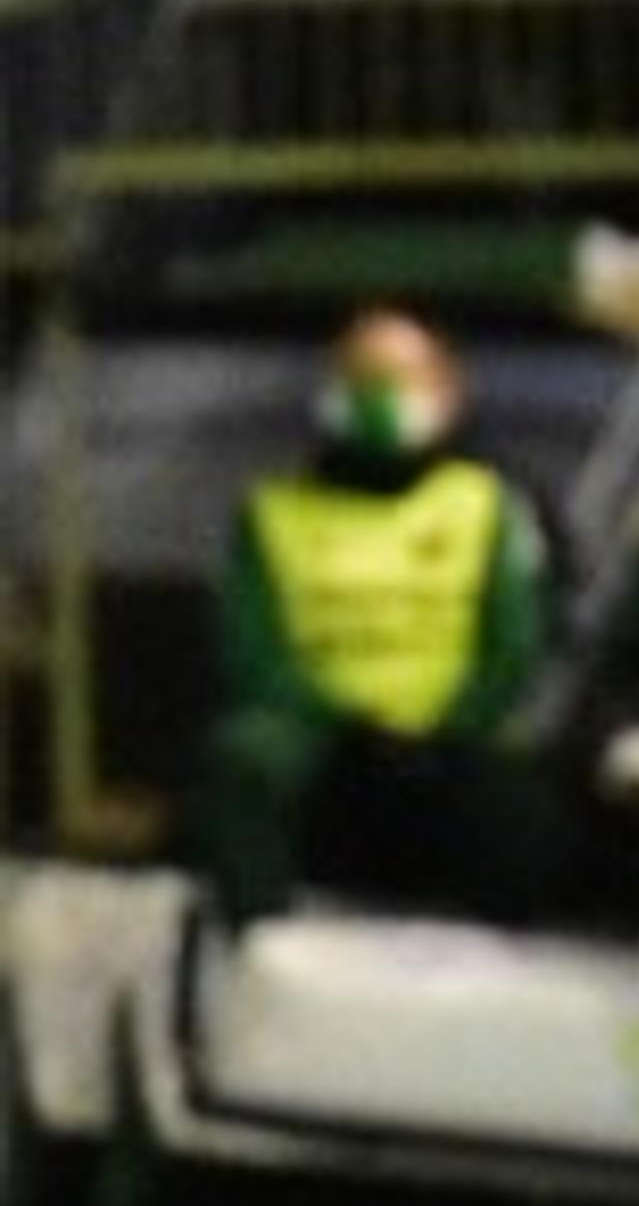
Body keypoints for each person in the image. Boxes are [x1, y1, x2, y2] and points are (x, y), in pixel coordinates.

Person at [195, 306, 562, 927]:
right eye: (363, 376)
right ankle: (259, 950)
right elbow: (251, 654)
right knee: (242, 762)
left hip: (446, 740)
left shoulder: (486, 506)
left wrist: (448, 726)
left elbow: (514, 650)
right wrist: (343, 723)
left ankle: (508, 960)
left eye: (403, 376)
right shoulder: (273, 511)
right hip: (316, 739)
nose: (380, 395)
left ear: (447, 392)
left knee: (521, 801)